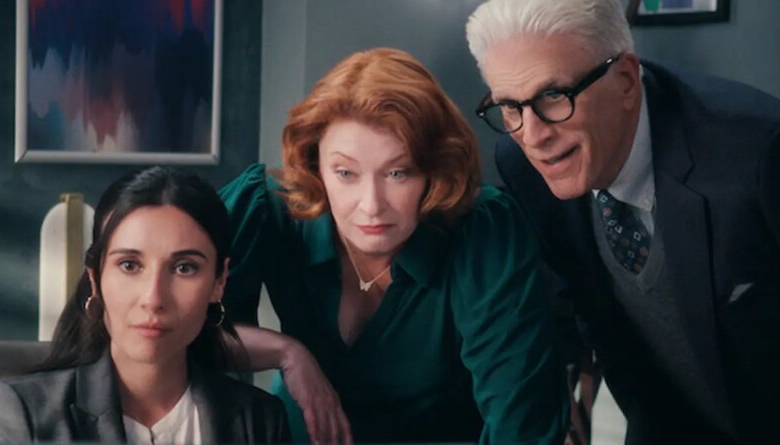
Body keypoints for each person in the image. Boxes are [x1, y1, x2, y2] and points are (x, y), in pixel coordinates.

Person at [466, 0, 780, 443]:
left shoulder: (761, 154)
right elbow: (592, 310)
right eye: (509, 106)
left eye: (554, 96)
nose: (533, 135)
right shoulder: (522, 164)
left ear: (625, 82)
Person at [220, 47, 568, 444]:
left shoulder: (481, 229)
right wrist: (285, 352)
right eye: (345, 173)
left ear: (435, 170)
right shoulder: (270, 206)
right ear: (316, 166)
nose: (371, 205)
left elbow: (524, 426)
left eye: (398, 173)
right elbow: (180, 328)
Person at [0, 167, 290, 444]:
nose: (153, 299)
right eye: (130, 265)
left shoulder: (259, 421)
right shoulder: (19, 412)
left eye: (184, 268)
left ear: (219, 281)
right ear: (95, 278)